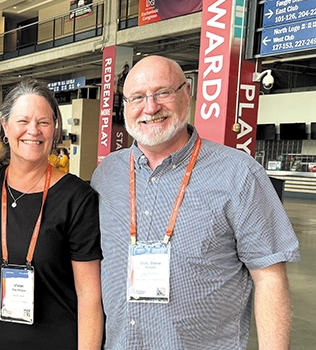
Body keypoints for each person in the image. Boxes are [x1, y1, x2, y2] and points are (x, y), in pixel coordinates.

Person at [90, 55, 300, 349]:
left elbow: (270, 278)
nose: (150, 107)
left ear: (187, 93)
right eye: (137, 97)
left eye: (163, 92)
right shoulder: (106, 175)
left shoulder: (239, 173)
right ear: (125, 106)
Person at [0, 78, 103, 349]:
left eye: (44, 122)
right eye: (23, 121)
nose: (34, 131)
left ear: (54, 130)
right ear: (5, 126)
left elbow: (89, 296)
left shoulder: (76, 198)